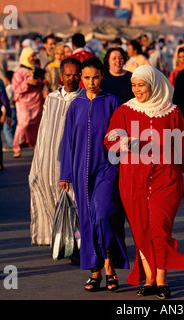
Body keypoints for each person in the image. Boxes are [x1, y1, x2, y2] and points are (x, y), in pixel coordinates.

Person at [104, 65, 184, 299]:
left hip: (166, 178)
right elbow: (109, 138)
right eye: (134, 85)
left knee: (159, 227)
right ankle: (149, 279)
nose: (137, 90)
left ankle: (162, 278)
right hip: (132, 181)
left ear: (154, 84)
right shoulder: (125, 111)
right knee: (141, 230)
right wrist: (122, 142)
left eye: (142, 85)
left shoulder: (172, 113)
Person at [60, 57, 129, 292]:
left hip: (107, 167)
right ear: (81, 78)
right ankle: (96, 272)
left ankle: (110, 264)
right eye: (86, 77)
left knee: (103, 213)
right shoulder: (75, 105)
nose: (91, 82)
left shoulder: (112, 101)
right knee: (87, 219)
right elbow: (67, 141)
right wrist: (65, 173)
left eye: (96, 77)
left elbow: (121, 135)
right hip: (80, 170)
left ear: (102, 76)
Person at [29, 58, 85, 247]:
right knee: (50, 200)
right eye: (68, 75)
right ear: (61, 76)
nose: (72, 78)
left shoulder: (84, 99)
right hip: (48, 161)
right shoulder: (52, 98)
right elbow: (43, 131)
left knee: (74, 203)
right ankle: (59, 241)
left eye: (76, 75)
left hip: (73, 162)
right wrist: (37, 162)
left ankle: (76, 245)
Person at [11, 47, 44, 158]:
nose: (34, 58)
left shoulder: (37, 69)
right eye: (32, 56)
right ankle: (16, 147)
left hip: (36, 101)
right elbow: (16, 88)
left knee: (36, 125)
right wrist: (27, 83)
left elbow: (41, 82)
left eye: (35, 56)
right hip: (24, 103)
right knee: (23, 123)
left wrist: (38, 82)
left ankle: (36, 146)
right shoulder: (18, 72)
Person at [2, 71, 16, 151]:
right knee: (12, 127)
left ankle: (12, 144)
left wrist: (3, 114)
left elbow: (6, 102)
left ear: (7, 79)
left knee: (7, 128)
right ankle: (14, 143)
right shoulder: (15, 87)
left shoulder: (8, 88)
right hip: (15, 109)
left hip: (9, 109)